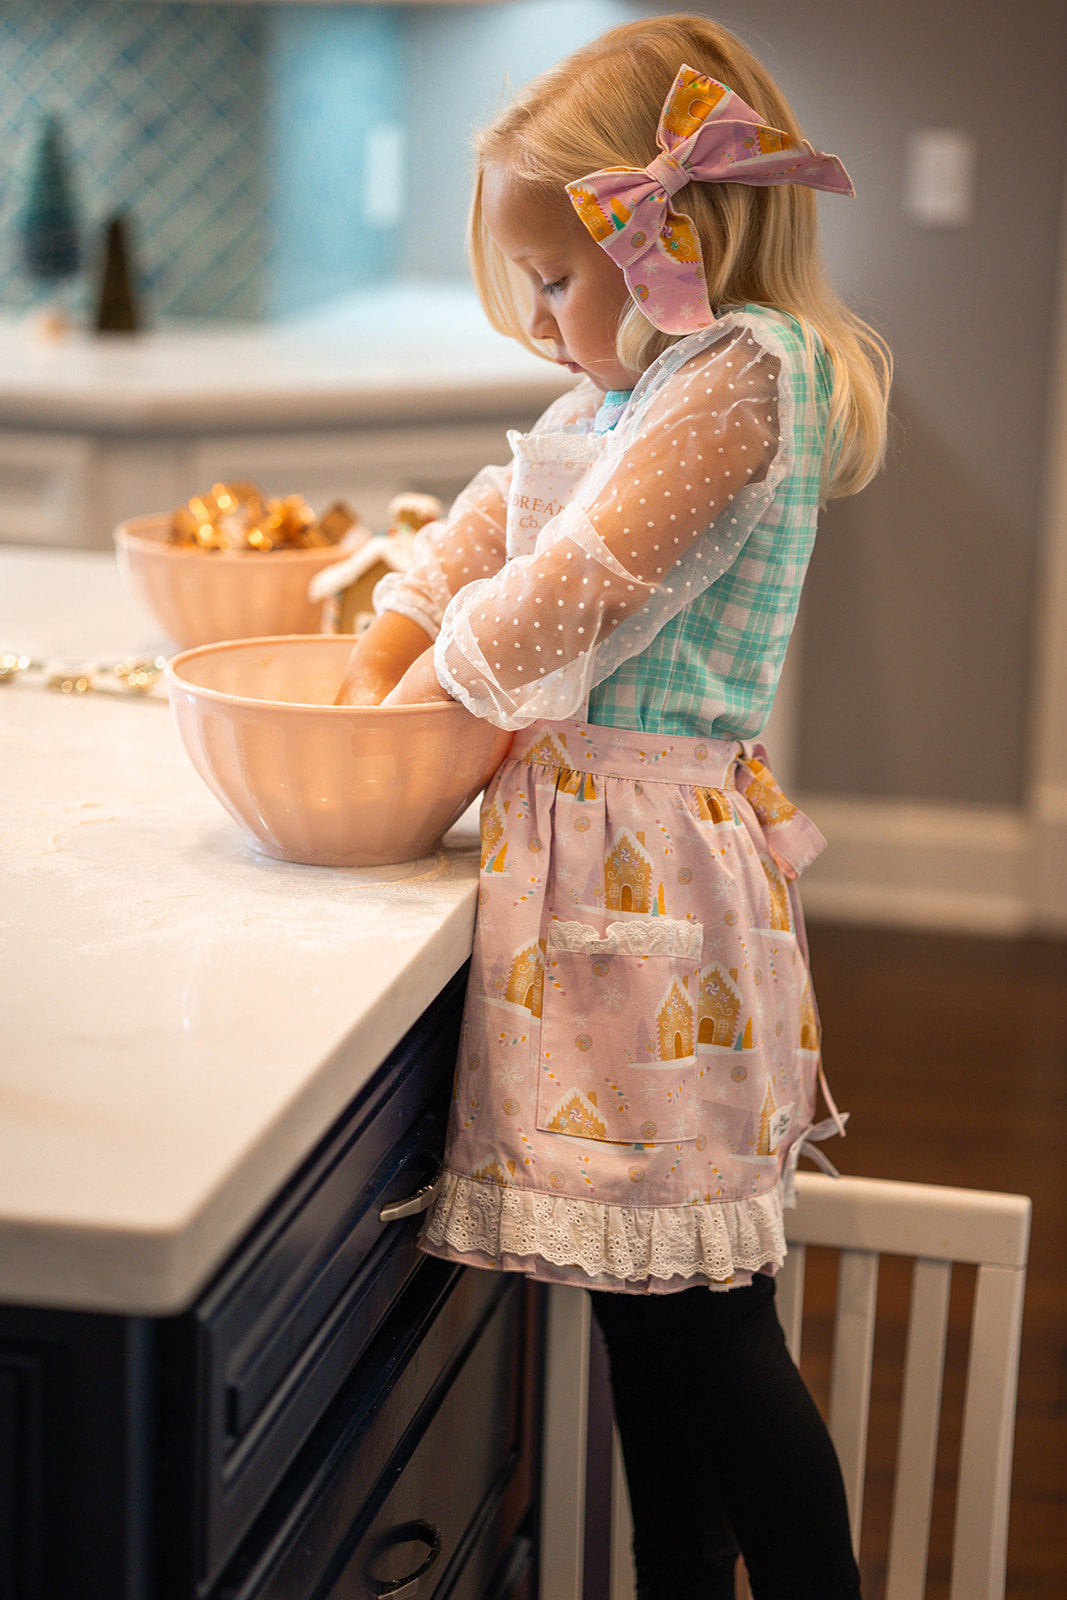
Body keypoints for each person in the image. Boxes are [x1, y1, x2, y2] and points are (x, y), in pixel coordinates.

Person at [337, 14, 890, 1596]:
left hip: (651, 893)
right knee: (650, 1313)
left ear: (672, 242)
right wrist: (382, 640)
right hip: (588, 882)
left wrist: (403, 697)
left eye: (557, 282)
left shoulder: (739, 380)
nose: (536, 322)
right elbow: (485, 525)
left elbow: (570, 589)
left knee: (708, 1318)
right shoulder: (614, 399)